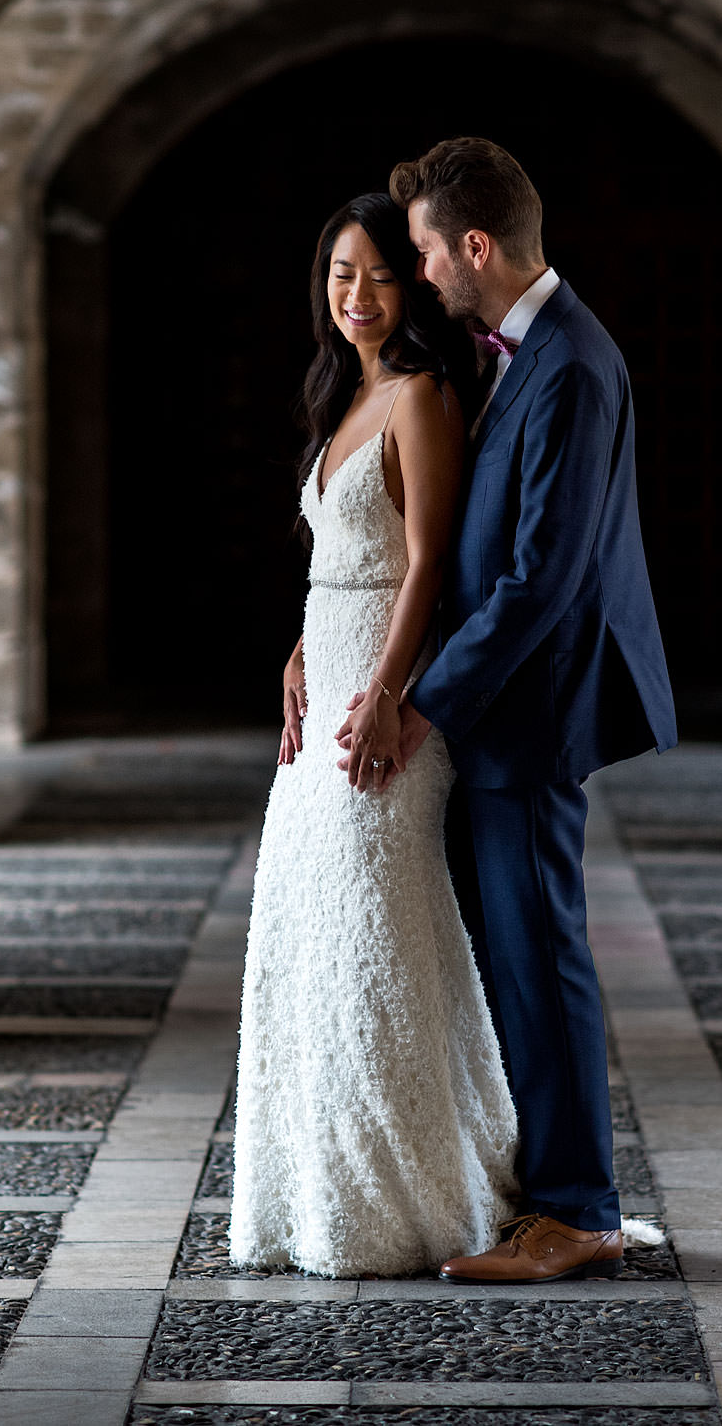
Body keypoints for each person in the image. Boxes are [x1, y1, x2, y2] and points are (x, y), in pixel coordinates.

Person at [345, 137, 676, 1284]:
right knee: (514, 955)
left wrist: (419, 705)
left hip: (526, 712)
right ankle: (535, 1187)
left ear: (475, 245)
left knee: (541, 955)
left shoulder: (572, 364)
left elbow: (541, 576)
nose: (423, 272)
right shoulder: (518, 353)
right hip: (498, 708)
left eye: (429, 251)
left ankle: (577, 1208)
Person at [228, 191, 517, 1278]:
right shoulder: (341, 395)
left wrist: (392, 691)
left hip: (387, 710)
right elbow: (337, 561)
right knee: (310, 940)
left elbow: (430, 562)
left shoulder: (421, 396)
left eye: (378, 275)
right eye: (340, 274)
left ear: (411, 284)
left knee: (378, 940)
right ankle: (317, 1190)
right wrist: (301, 650)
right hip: (326, 689)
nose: (355, 294)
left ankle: (408, 1198)